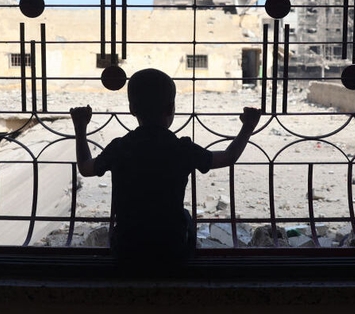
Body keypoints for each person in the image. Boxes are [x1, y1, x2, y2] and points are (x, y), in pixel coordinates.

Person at [70, 68, 261, 267]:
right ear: (171, 109)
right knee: (185, 217)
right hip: (171, 250)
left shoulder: (120, 147)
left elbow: (85, 167)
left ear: (132, 109)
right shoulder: (181, 148)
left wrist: (80, 128)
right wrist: (248, 126)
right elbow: (229, 157)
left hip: (127, 250)